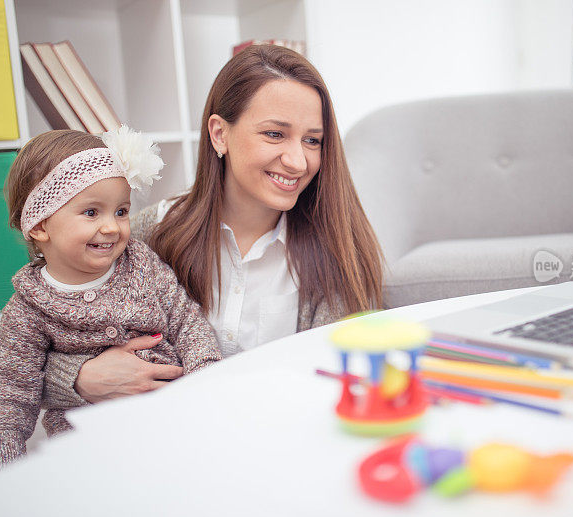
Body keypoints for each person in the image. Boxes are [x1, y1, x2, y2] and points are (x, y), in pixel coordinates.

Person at [41, 44, 385, 406]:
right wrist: (80, 378)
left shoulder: (338, 249)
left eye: (312, 140)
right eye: (274, 134)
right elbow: (21, 360)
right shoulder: (148, 233)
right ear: (220, 134)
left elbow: (354, 378)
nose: (298, 161)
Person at [0, 128, 225, 476]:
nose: (112, 227)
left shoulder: (141, 263)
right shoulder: (27, 309)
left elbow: (186, 321)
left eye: (121, 211)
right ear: (41, 225)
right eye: (92, 213)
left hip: (170, 430)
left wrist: (206, 381)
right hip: (89, 454)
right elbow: (8, 400)